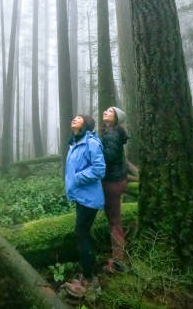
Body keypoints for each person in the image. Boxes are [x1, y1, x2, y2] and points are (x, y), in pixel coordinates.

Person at [63, 114, 106, 298]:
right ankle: (91, 271)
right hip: (81, 197)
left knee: (80, 233)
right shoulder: (74, 143)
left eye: (79, 118)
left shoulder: (91, 143)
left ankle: (89, 281)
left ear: (86, 124)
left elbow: (99, 169)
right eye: (73, 117)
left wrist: (77, 178)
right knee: (84, 233)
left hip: (90, 198)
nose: (74, 118)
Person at [100, 106, 129, 273]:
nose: (105, 112)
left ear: (116, 118)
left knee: (114, 221)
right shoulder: (113, 132)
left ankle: (118, 261)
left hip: (112, 182)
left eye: (110, 111)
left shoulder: (112, 134)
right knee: (114, 219)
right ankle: (117, 256)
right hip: (117, 180)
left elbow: (107, 158)